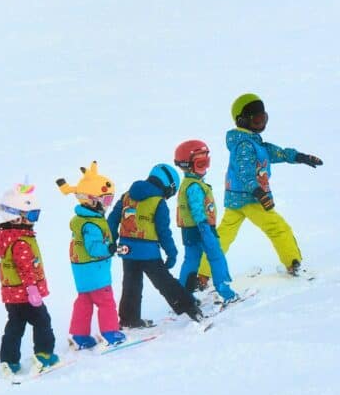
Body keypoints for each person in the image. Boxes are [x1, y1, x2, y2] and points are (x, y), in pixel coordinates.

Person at [197, 93, 323, 288]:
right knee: (277, 228)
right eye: (256, 119)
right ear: (242, 120)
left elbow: (276, 152)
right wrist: (258, 192)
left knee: (223, 236)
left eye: (263, 118)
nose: (261, 123)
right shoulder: (246, 145)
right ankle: (293, 263)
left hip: (235, 198)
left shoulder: (253, 141)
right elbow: (244, 172)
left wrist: (299, 157)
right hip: (251, 199)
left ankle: (203, 274)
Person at [107, 163, 205, 327]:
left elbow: (112, 219)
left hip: (127, 250)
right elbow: (163, 232)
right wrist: (171, 253)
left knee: (131, 284)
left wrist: (111, 241)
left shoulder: (126, 196)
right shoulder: (159, 202)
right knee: (164, 282)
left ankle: (129, 319)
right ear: (168, 186)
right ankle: (190, 307)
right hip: (148, 252)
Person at [56, 161, 127, 349]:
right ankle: (111, 333)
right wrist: (110, 248)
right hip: (95, 269)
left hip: (82, 270)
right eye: (105, 200)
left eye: (110, 200)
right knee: (106, 301)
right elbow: (94, 248)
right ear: (91, 200)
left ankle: (80, 335)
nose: (108, 205)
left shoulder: (82, 220)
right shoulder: (92, 223)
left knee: (84, 301)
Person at [0, 182, 59, 377]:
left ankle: (9, 360)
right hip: (27, 294)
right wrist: (32, 290)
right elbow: (26, 268)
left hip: (11, 294)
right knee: (42, 322)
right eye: (31, 215)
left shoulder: (6, 237)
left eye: (35, 215)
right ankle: (44, 355)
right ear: (15, 216)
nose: (33, 220)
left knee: (14, 326)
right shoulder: (21, 241)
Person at [173, 140, 239, 303]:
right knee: (216, 257)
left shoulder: (189, 184)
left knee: (191, 260)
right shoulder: (194, 186)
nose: (206, 167)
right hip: (203, 228)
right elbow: (197, 210)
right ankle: (226, 292)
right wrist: (205, 229)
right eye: (201, 163)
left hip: (190, 231)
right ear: (187, 165)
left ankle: (183, 296)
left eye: (206, 162)